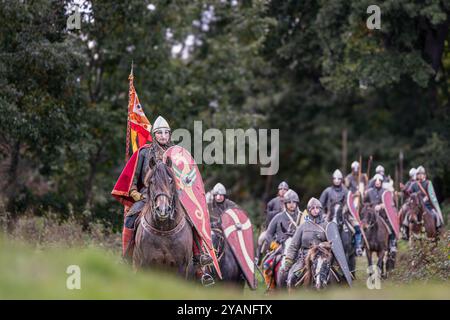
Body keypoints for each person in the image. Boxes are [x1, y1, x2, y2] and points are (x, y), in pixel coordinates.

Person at [111, 116, 214, 284]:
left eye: (166, 132)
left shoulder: (178, 154)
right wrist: (137, 195)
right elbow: (132, 182)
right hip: (148, 196)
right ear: (154, 134)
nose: (163, 136)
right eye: (160, 133)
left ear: (170, 134)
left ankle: (198, 261)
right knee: (131, 218)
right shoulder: (144, 152)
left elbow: (188, 177)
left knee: (193, 219)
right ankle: (127, 257)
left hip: (174, 196)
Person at [283, 197, 328, 288]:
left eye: (317, 208)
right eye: (313, 208)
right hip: (304, 259)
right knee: (292, 278)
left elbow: (333, 243)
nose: (315, 210)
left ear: (320, 209)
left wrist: (324, 245)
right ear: (309, 210)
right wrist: (288, 261)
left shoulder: (326, 225)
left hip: (322, 259)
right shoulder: (303, 226)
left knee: (338, 278)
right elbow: (294, 245)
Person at [319, 169, 363, 255]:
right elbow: (320, 204)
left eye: (338, 179)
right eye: (335, 179)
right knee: (320, 230)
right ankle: (319, 247)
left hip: (344, 214)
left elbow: (349, 203)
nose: (336, 181)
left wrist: (344, 210)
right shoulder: (327, 191)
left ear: (341, 180)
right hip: (329, 215)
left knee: (357, 227)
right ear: (332, 179)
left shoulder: (345, 191)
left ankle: (358, 247)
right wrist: (323, 214)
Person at [364, 173, 397, 253]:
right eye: (376, 180)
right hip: (371, 215)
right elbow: (365, 203)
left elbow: (391, 203)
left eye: (379, 180)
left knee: (391, 225)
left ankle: (392, 243)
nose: (377, 182)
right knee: (363, 226)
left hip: (383, 215)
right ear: (374, 181)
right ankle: (362, 244)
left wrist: (382, 206)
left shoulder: (386, 192)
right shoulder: (369, 192)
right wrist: (370, 206)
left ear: (382, 181)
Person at [407, 166, 444, 233]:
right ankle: (406, 231)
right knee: (409, 216)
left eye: (421, 174)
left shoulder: (428, 183)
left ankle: (438, 230)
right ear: (416, 176)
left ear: (424, 175)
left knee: (436, 215)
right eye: (418, 174)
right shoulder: (414, 184)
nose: (420, 175)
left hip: (428, 206)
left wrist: (425, 199)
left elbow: (431, 196)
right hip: (417, 207)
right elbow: (409, 193)